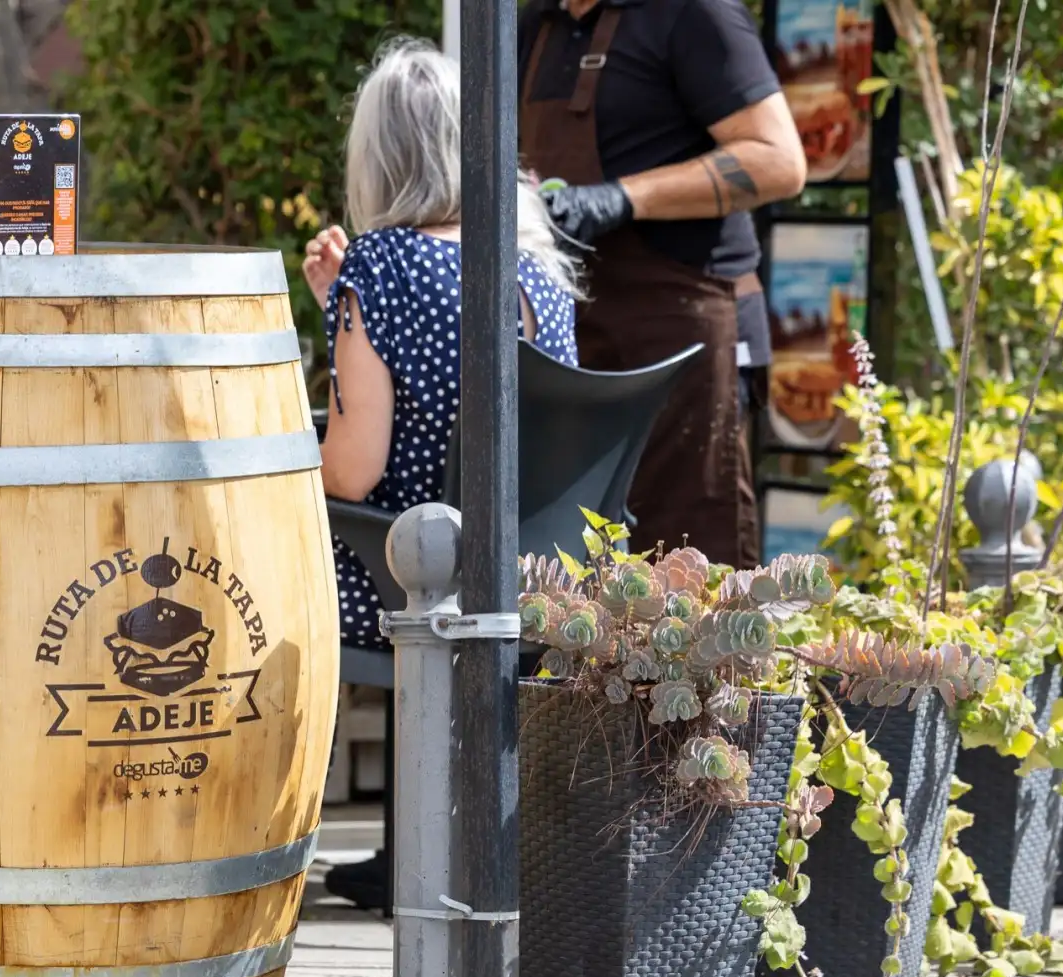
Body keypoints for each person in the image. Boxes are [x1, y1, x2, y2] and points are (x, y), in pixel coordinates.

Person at [301, 39, 578, 909]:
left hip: (422, 578)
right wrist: (342, 312)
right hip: (534, 571)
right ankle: (415, 852)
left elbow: (352, 473)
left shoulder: (380, 266)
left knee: (268, 568)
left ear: (379, 156)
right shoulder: (534, 269)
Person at [519, 0, 807, 570]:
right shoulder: (535, 25)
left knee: (689, 556)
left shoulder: (694, 13)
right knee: (577, 560)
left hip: (685, 327)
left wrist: (623, 199)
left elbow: (780, 161)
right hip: (574, 333)